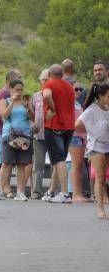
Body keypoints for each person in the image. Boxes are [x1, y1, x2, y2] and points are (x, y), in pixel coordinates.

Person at [0, 79, 33, 201]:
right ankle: (0, 190)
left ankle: (20, 192)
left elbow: (32, 117)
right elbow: (4, 116)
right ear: (11, 90)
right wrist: (12, 102)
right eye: (17, 89)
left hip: (24, 136)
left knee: (22, 164)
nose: (19, 92)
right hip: (9, 136)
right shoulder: (4, 101)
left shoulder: (26, 101)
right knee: (6, 163)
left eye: (21, 89)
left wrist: (28, 108)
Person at [42, 64, 76, 204]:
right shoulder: (69, 86)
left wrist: (52, 108)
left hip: (54, 126)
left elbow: (47, 95)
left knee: (59, 160)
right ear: (62, 74)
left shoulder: (49, 83)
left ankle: (64, 193)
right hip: (69, 126)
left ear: (49, 74)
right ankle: (51, 192)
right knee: (59, 159)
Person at [75, 83, 109, 218]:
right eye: (108, 96)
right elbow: (77, 125)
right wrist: (91, 132)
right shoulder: (92, 110)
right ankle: (101, 209)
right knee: (100, 177)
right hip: (97, 146)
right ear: (100, 96)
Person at [0, 70, 23, 176]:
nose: (20, 79)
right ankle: (4, 188)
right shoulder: (4, 93)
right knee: (5, 162)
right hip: (2, 131)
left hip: (8, 131)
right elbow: (3, 115)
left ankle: (7, 188)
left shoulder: (13, 92)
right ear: (9, 80)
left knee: (9, 163)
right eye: (18, 77)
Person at [31, 68, 50, 199]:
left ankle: (53, 190)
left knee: (56, 164)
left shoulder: (55, 95)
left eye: (47, 79)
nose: (45, 82)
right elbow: (30, 114)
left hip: (53, 134)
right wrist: (32, 124)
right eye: (43, 79)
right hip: (38, 136)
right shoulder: (35, 96)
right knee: (38, 164)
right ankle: (37, 191)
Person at [69, 88, 90, 202]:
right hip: (75, 135)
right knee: (76, 164)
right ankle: (76, 194)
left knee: (80, 165)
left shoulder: (78, 104)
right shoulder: (70, 103)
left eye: (80, 89)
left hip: (82, 136)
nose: (78, 91)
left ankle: (78, 192)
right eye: (75, 89)